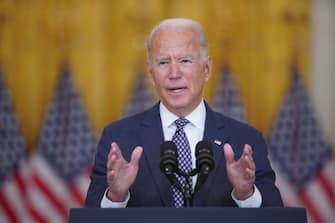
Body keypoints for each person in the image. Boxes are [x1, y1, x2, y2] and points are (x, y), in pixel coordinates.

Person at [85, 18, 283, 208]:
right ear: (151, 74)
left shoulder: (245, 140)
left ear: (206, 69)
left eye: (185, 61)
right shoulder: (119, 139)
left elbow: (276, 216)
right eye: (163, 63)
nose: (174, 73)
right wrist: (116, 196)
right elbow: (91, 216)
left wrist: (246, 194)